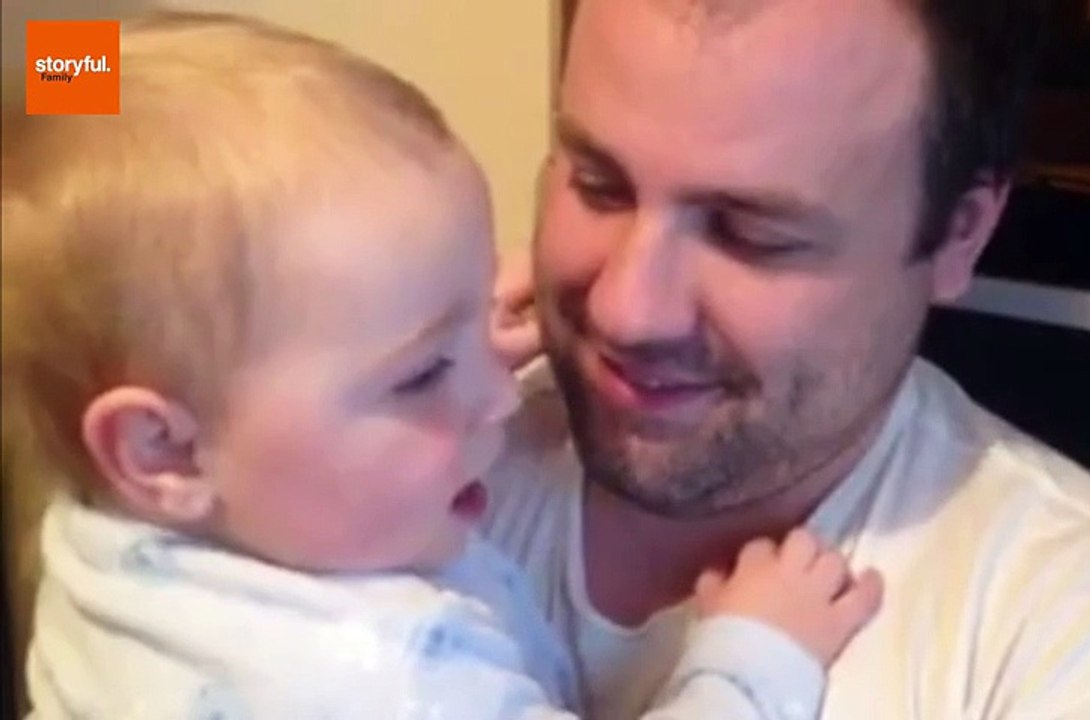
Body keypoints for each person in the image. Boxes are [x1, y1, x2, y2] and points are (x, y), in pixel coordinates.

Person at [1, 12, 883, 719]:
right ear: (160, 449)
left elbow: (45, 67)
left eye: (477, 318)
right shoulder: (396, 680)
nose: (501, 396)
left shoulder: (102, 537)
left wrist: (434, 337)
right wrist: (753, 660)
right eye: (422, 374)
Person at [483, 0, 1090, 717]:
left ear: (961, 233)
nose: (628, 309)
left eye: (751, 234)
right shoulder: (427, 451)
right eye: (597, 185)